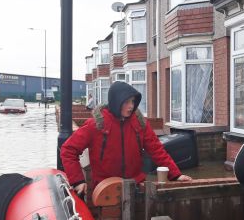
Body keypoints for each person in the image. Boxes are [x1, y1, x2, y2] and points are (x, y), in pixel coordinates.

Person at [61, 81, 191, 198]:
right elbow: (68, 150)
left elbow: (157, 150)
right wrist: (78, 181)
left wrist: (176, 175)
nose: (131, 106)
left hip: (136, 186)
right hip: (105, 190)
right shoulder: (96, 124)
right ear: (116, 102)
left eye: (133, 101)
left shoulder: (140, 123)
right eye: (126, 102)